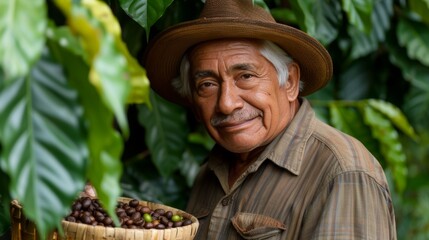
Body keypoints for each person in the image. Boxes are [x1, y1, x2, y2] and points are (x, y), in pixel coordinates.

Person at [143, 0, 397, 239]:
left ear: (290, 82)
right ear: (195, 105)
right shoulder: (211, 171)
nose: (227, 103)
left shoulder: (342, 172)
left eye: (246, 76)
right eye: (207, 84)